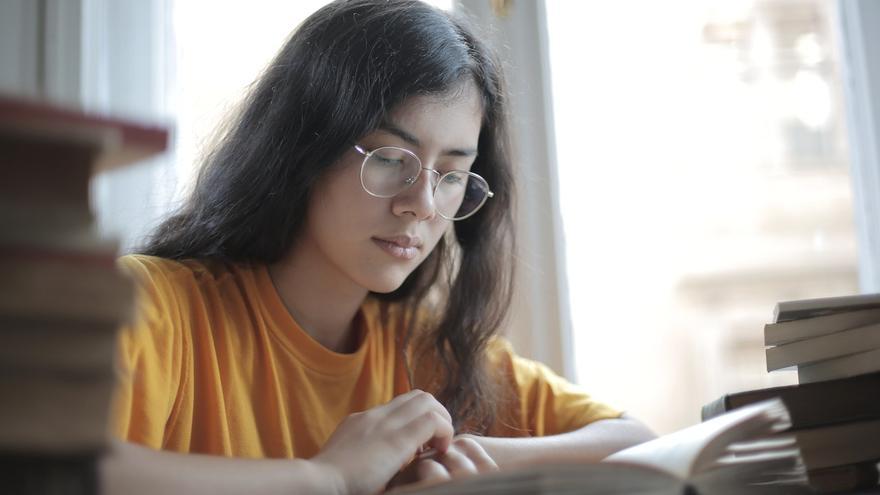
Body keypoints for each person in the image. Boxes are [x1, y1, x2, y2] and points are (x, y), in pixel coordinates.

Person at [101, 1, 655, 494]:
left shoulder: (431, 349)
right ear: (303, 145)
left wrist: (480, 460)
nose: (422, 203)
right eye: (391, 159)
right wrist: (328, 478)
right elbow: (46, 469)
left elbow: (639, 442)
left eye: (453, 174)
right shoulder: (150, 305)